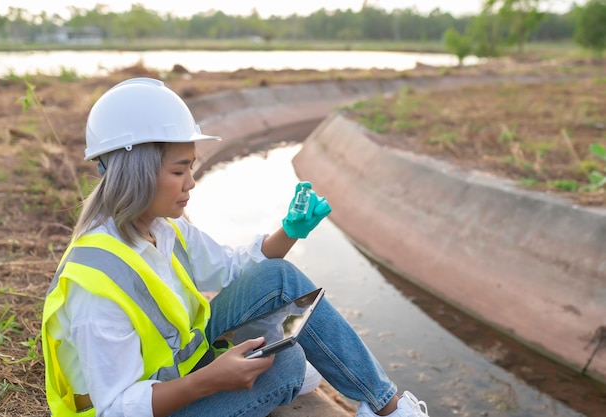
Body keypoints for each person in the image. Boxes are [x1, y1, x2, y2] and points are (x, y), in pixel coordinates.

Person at [41, 77, 430, 417]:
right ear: (136, 173)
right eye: (179, 170)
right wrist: (208, 382)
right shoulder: (93, 289)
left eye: (192, 167)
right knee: (288, 362)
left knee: (279, 277)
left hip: (181, 363)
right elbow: (116, 409)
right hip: (151, 402)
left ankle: (388, 406)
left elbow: (233, 268)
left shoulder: (161, 227)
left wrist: (289, 231)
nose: (190, 182)